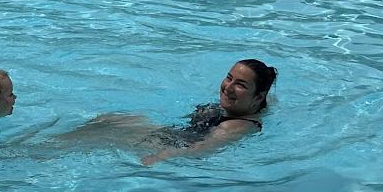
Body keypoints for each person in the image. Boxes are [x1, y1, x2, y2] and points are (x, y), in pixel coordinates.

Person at [52, 59, 277, 164]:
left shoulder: (234, 126)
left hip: (165, 145)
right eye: (229, 77)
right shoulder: (254, 105)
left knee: (98, 133)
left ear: (258, 96)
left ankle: (43, 153)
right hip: (168, 134)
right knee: (108, 119)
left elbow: (201, 149)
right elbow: (271, 98)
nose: (228, 86)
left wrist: (159, 157)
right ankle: (50, 146)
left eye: (240, 84)